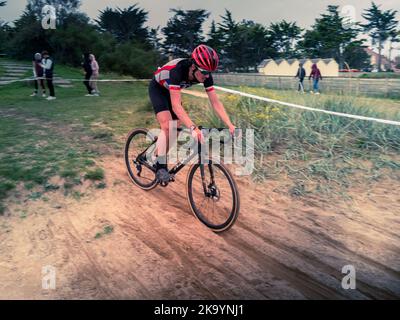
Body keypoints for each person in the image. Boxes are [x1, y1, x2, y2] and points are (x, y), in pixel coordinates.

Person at [149, 44, 236, 183]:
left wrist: (229, 124)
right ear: (193, 66)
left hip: (172, 90)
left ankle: (159, 153)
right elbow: (176, 106)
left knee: (175, 130)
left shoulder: (206, 75)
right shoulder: (177, 70)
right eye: (204, 71)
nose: (206, 76)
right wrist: (193, 128)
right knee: (167, 127)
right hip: (158, 88)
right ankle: (160, 165)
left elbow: (215, 102)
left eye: (209, 72)